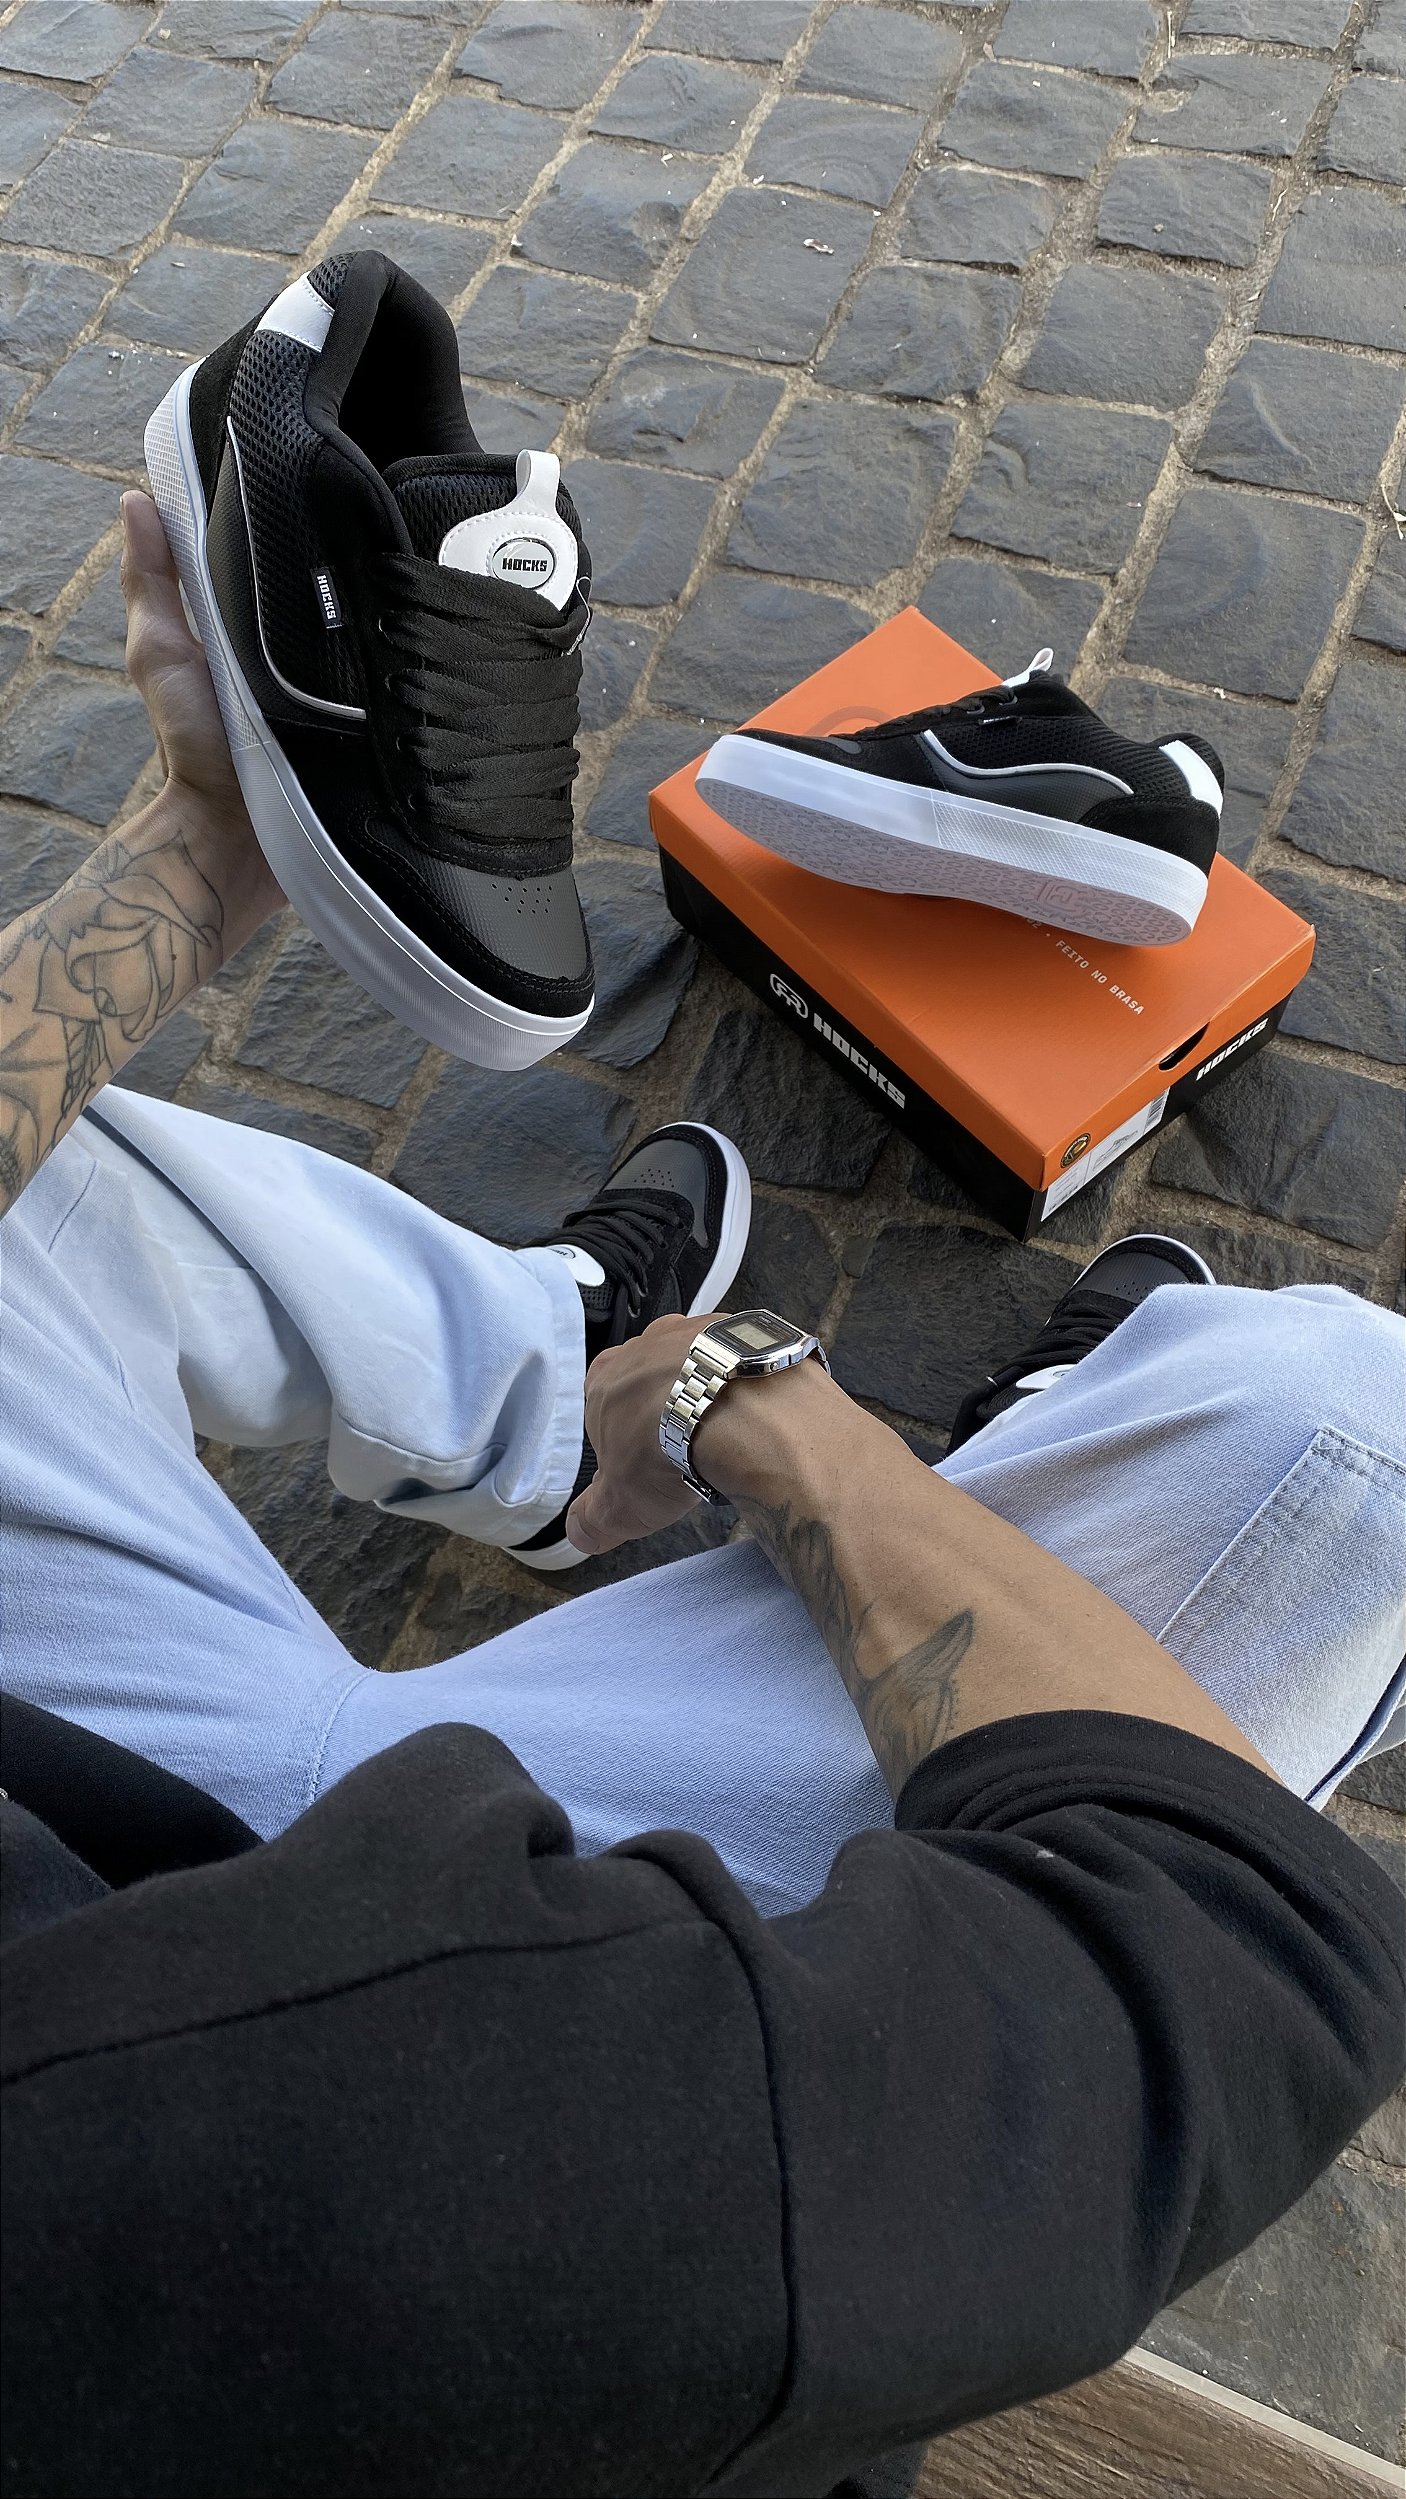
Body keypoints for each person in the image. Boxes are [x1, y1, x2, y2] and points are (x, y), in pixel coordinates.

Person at [1, 497, 1401, 2499]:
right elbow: (1220, 1942)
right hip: (455, 2026)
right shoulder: (467, 2181)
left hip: (98, 1813)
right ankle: (800, 1432)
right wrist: (769, 1407)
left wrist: (204, 848)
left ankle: (555, 1401)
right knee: (1342, 1442)